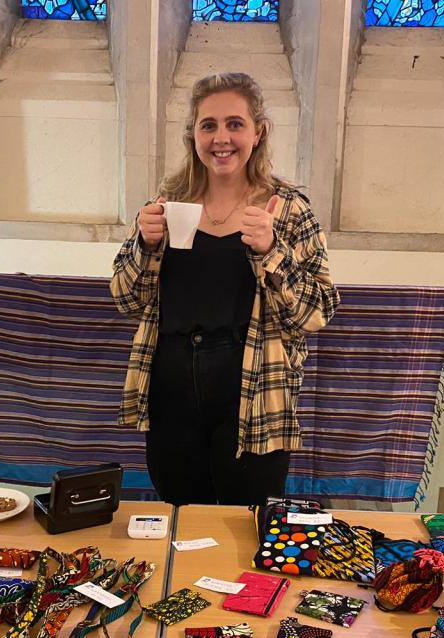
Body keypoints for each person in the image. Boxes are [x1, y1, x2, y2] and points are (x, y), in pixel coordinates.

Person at [111, 71, 340, 508]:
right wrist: (144, 244)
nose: (221, 138)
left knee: (249, 518)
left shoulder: (289, 210)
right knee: (181, 517)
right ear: (193, 135)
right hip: (172, 387)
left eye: (235, 124)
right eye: (209, 125)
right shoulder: (166, 204)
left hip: (255, 389)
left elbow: (318, 313)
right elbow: (124, 298)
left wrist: (272, 250)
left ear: (258, 133)